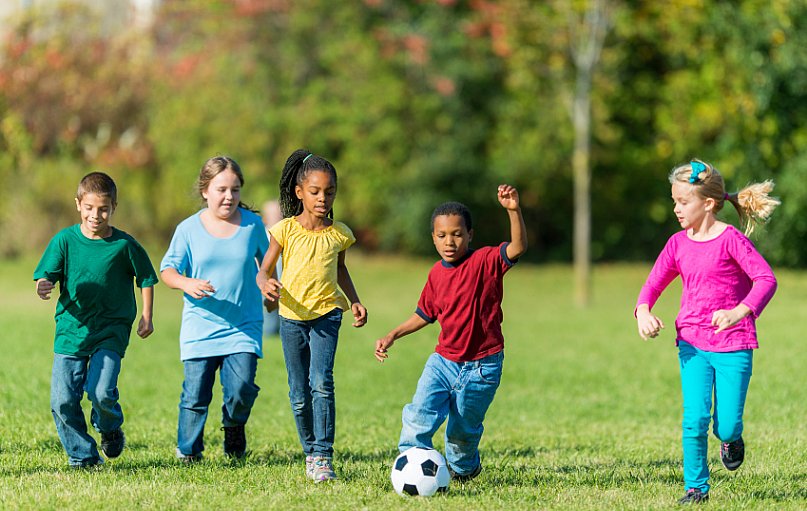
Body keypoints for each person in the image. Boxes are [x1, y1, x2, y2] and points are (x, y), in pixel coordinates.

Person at [635, 159, 779, 505]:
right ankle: (696, 488)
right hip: (692, 345)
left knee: (726, 425)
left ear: (709, 203)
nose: (676, 209)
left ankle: (731, 438)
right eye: (674, 201)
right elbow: (653, 284)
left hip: (734, 344)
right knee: (694, 419)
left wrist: (739, 311)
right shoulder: (677, 244)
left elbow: (766, 280)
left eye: (683, 202)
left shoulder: (730, 240)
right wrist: (643, 311)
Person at [374, 184, 527, 482]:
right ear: (433, 237)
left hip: (482, 367)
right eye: (442, 235)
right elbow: (425, 314)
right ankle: (412, 468)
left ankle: (464, 471)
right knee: (418, 415)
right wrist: (393, 334)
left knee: (461, 434)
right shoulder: (435, 273)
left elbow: (518, 247)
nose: (450, 241)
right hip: (443, 362)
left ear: (470, 234)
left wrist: (513, 211)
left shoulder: (485, 261)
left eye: (457, 234)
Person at [33, 172, 158, 468]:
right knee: (62, 401)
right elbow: (45, 275)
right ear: (78, 204)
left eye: (103, 208)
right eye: (89, 208)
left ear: (114, 206)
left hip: (110, 329)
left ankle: (109, 427)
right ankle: (83, 456)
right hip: (71, 329)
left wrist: (147, 315)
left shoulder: (124, 245)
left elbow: (147, 278)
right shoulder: (64, 240)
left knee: (101, 391)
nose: (95, 215)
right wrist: (42, 285)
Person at [257, 149, 367, 482]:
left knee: (321, 382)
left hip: (327, 315)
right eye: (316, 191)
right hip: (291, 316)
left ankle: (323, 454)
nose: (323, 198)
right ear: (299, 192)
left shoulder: (339, 233)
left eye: (329, 192)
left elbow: (341, 270)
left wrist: (356, 301)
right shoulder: (285, 230)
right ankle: (309, 451)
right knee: (298, 391)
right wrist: (266, 283)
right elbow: (264, 270)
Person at [161, 156, 268, 463]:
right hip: (200, 326)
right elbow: (167, 271)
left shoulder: (252, 225)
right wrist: (185, 282)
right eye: (221, 189)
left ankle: (234, 425)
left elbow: (268, 266)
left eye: (235, 190)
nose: (229, 197)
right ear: (205, 190)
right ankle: (188, 452)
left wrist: (268, 287)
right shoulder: (188, 229)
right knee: (195, 396)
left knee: (241, 388)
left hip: (243, 325)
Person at [261, 200, 283, 338]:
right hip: (266, 284)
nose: (277, 217)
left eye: (279, 214)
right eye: (274, 215)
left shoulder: (288, 235)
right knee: (269, 318)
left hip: (285, 283)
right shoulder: (262, 236)